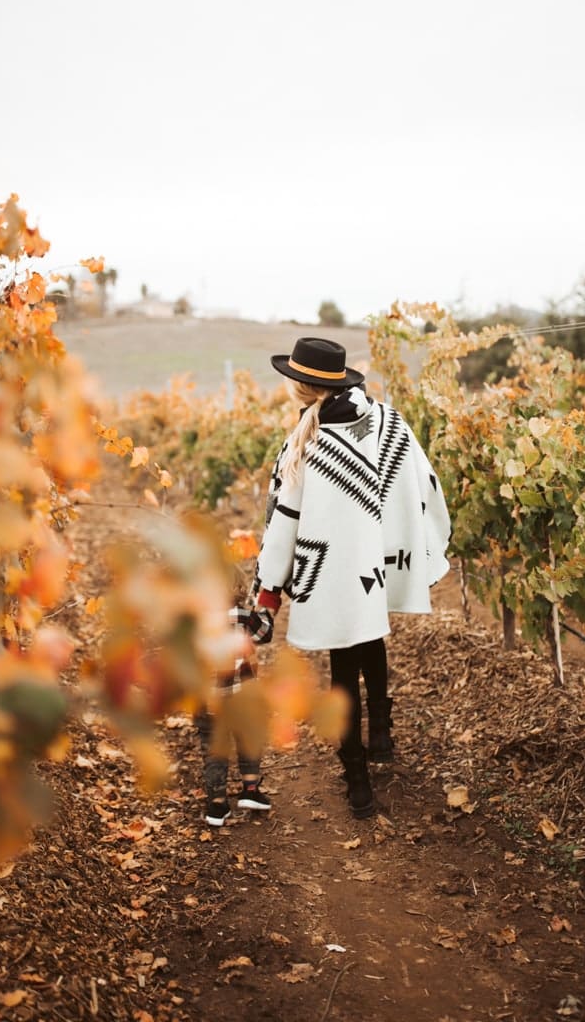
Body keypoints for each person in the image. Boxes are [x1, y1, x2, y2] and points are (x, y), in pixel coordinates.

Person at [252, 336, 450, 819]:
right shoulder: (387, 421)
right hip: (372, 564)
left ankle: (357, 779)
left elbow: (284, 519)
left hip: (329, 573)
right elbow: (421, 481)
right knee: (371, 638)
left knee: (343, 666)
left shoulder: (305, 441)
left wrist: (268, 587)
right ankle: (380, 733)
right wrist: (417, 545)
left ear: (300, 386)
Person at [195, 586, 275, 827]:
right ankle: (250, 790)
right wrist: (264, 610)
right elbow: (265, 633)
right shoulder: (243, 615)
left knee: (214, 749)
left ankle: (217, 804)